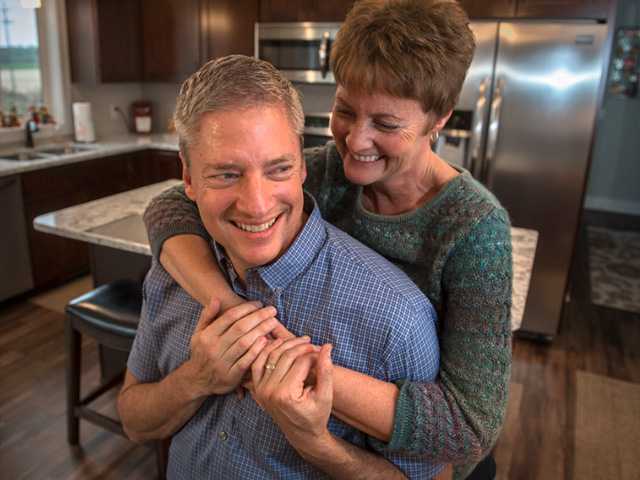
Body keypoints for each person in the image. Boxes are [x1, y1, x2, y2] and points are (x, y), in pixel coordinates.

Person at [142, 1, 513, 478]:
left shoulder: (475, 231)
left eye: (386, 124)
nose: (355, 141)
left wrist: (286, 363)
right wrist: (235, 313)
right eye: (345, 110)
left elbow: (465, 427)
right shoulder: (322, 170)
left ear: (437, 119)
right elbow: (172, 207)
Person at [118, 54, 445, 479]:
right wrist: (195, 379)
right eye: (225, 174)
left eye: (278, 169)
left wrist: (314, 443)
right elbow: (133, 420)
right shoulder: (174, 268)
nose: (256, 205)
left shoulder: (396, 318)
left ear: (303, 167)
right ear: (189, 178)